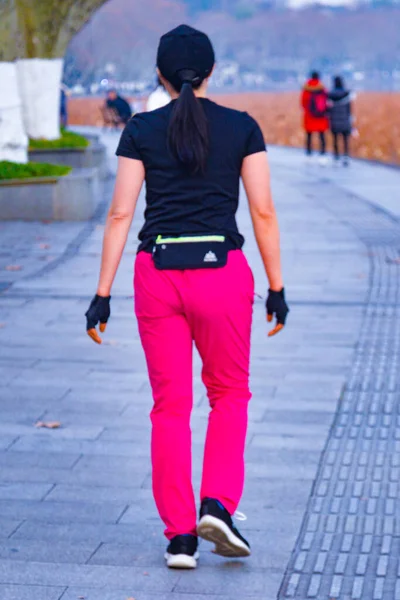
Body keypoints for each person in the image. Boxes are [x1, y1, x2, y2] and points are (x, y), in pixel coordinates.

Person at [85, 24, 289, 570]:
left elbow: (121, 214)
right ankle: (217, 504)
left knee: (169, 408)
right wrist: (276, 287)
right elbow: (264, 213)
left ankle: (179, 537)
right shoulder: (242, 128)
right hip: (223, 274)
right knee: (230, 394)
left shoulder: (141, 129)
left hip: (157, 275)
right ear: (212, 72)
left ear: (160, 75)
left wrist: (102, 295)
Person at [301, 71, 329, 165]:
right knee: (322, 136)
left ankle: (309, 154)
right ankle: (322, 154)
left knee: (309, 135)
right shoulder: (322, 88)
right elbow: (326, 102)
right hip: (321, 116)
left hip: (309, 116)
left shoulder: (306, 88)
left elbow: (303, 103)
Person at [328, 76, 352, 167]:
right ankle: (346, 155)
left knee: (335, 139)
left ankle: (336, 156)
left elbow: (328, 109)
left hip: (334, 120)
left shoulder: (330, 95)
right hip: (345, 120)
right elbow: (349, 109)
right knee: (345, 139)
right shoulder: (346, 94)